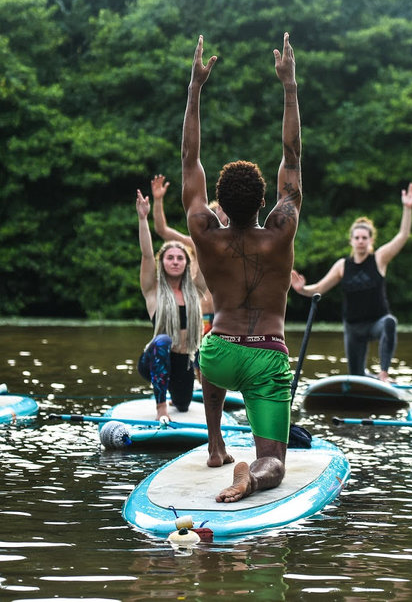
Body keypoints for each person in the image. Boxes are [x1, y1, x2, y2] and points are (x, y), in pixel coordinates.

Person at [182, 33, 301, 503]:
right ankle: (252, 474)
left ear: (221, 207)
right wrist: (289, 88)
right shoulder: (280, 231)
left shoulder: (205, 233)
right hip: (268, 355)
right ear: (265, 202)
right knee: (275, 461)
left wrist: (195, 89)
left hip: (220, 353)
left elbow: (190, 159)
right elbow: (292, 157)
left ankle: (215, 444)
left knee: (209, 350)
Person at [291, 184, 412, 382]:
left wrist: (408, 208)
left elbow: (402, 236)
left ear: (370, 240)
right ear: (351, 241)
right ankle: (370, 378)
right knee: (356, 377)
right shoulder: (343, 265)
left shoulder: (379, 259)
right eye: (357, 237)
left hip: (377, 322)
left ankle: (383, 374)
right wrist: (301, 289)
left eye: (364, 238)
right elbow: (319, 289)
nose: (360, 241)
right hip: (353, 328)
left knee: (390, 323)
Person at [135, 188, 205, 421]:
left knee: (184, 406)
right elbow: (146, 254)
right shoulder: (152, 290)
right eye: (170, 257)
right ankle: (161, 408)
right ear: (162, 262)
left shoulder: (195, 290)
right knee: (163, 340)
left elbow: (207, 255)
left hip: (184, 359)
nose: (175, 261)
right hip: (156, 357)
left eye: (180, 258)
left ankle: (175, 398)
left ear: (187, 263)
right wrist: (143, 218)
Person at [150, 173, 225, 335]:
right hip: (199, 314)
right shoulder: (196, 243)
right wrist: (158, 200)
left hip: (224, 318)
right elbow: (162, 229)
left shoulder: (233, 246)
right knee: (194, 357)